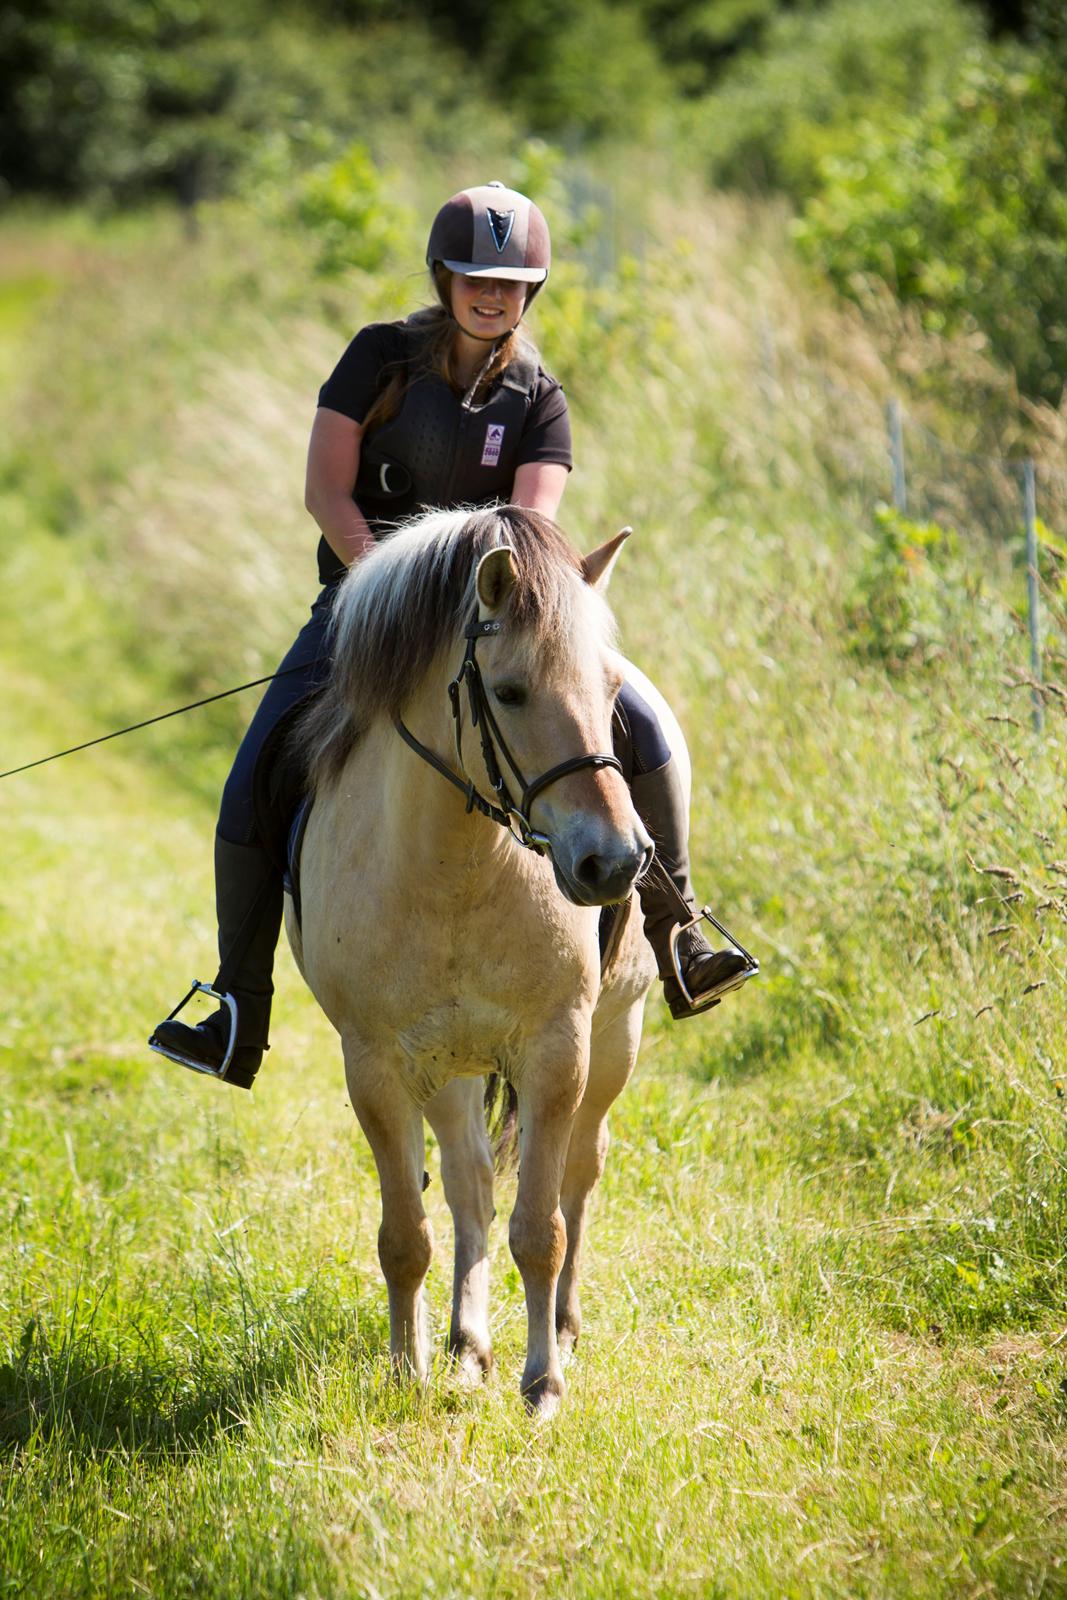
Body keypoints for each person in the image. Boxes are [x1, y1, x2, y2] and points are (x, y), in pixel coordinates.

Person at [150, 181, 753, 1091]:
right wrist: (387, 595)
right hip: (365, 611)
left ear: (530, 295)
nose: (492, 294)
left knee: (645, 726)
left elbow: (525, 530)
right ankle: (238, 1006)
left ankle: (680, 933)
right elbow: (326, 490)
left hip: (505, 621)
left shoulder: (539, 399)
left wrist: (491, 614)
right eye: (475, 276)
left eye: (512, 283)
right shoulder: (378, 361)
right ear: (443, 278)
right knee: (255, 773)